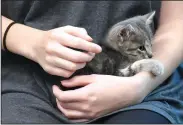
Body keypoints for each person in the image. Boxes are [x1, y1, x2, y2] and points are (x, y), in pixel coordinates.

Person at [1, 1, 183, 124]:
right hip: (29, 87)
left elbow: (176, 21)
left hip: (141, 89)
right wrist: (31, 42)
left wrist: (140, 85)